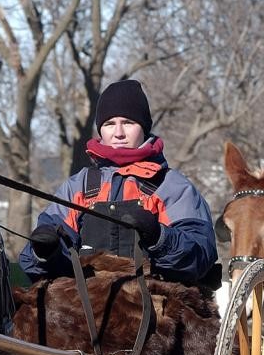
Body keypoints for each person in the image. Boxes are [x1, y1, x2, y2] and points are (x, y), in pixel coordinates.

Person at [19, 79, 218, 284]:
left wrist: (159, 237)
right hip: (86, 307)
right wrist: (45, 251)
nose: (119, 133)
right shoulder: (78, 186)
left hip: (157, 305)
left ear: (144, 127)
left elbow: (201, 255)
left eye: (128, 123)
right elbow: (33, 265)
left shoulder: (173, 187)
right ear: (101, 130)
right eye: (109, 124)